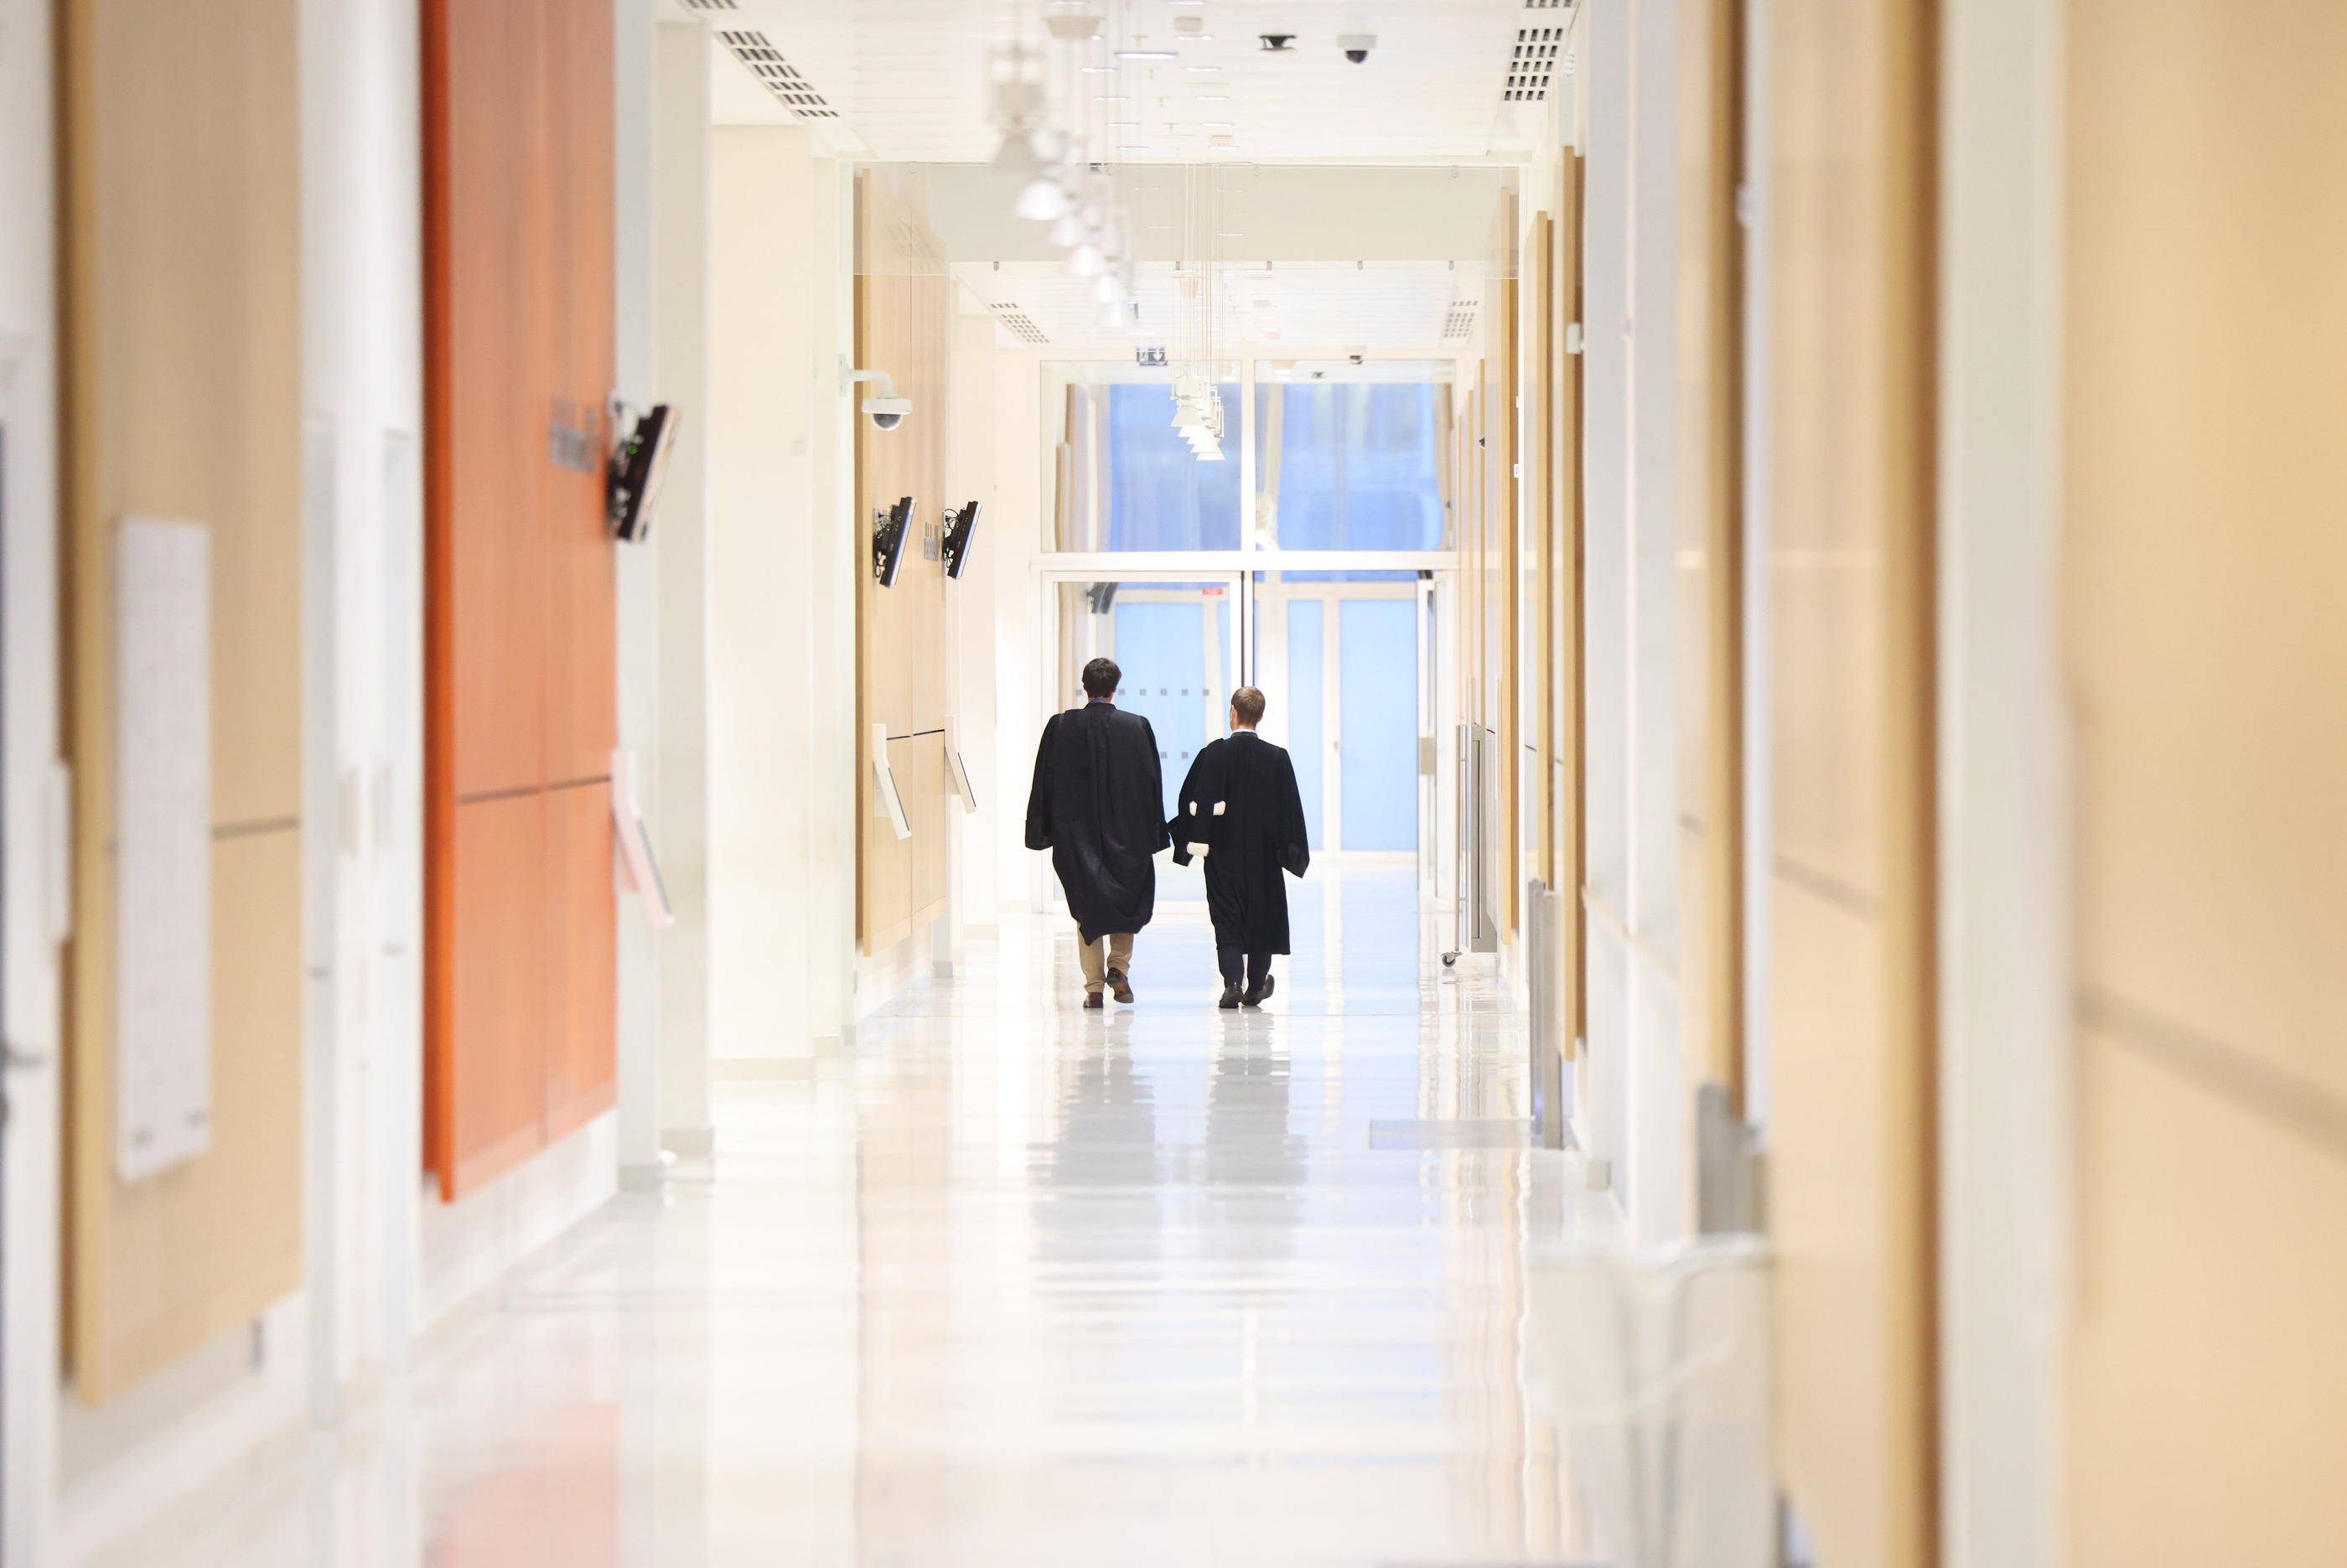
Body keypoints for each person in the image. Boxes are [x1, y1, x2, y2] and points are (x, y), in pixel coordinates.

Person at [1025, 655, 1168, 1008]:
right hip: (1128, 833)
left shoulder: (1060, 727)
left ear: (1085, 686)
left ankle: (1093, 988)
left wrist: (1041, 831)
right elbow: (1152, 784)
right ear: (1115, 688)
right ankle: (1118, 967)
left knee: (1086, 908)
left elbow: (1044, 781)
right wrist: (1154, 832)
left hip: (1077, 836)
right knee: (1126, 898)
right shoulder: (1137, 727)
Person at [1169, 686, 1310, 1009]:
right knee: (1262, 915)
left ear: (1232, 712)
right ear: (1260, 717)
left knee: (1226, 915)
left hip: (1222, 852)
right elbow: (1291, 809)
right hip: (1264, 855)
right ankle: (1257, 985)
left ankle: (1232, 982)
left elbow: (1190, 800)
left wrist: (1188, 843)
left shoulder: (1213, 754)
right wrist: (1291, 853)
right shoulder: (1277, 758)